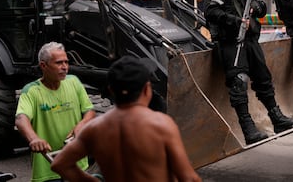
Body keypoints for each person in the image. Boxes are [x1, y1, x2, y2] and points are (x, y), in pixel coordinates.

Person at [203, 0, 293, 145]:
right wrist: (236, 21)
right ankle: (248, 129)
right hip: (231, 42)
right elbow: (211, 12)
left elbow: (261, 7)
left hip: (250, 40)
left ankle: (277, 119)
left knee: (264, 80)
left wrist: (255, 8)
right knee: (239, 83)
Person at [51, 55, 201, 182]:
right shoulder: (161, 125)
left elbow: (59, 164)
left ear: (111, 91)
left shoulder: (94, 129)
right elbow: (188, 178)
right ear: (147, 89)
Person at [15, 42, 96, 182]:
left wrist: (82, 124)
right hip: (47, 167)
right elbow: (21, 118)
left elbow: (89, 110)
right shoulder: (31, 91)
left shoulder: (74, 82)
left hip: (78, 164)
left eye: (66, 62)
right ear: (43, 66)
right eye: (59, 63)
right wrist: (34, 139)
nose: (64, 67)